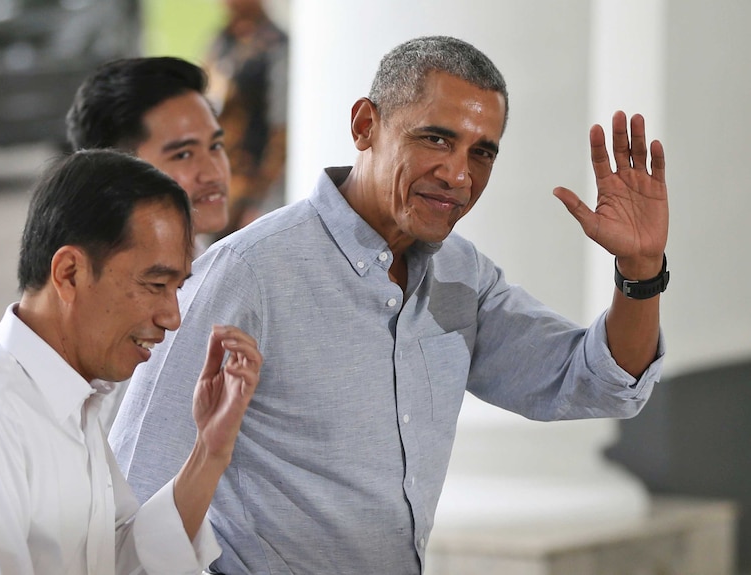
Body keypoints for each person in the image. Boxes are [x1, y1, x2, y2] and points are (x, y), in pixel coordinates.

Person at [110, 35, 669, 574]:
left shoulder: (463, 276)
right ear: (365, 125)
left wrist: (640, 272)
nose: (458, 175)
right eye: (435, 139)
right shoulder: (247, 272)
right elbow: (137, 493)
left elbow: (597, 381)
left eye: (482, 153)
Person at [0, 150, 262, 575]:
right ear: (69, 273)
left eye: (177, 288)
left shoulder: (71, 399)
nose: (172, 317)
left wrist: (210, 451)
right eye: (156, 284)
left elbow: (120, 559)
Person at [66, 56, 231, 253]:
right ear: (114, 176)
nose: (214, 174)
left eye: (216, 146)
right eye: (183, 155)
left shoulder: (205, 263)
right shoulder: (103, 280)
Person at [204, 0, 288, 237]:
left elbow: (281, 131)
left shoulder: (275, 46)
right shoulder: (221, 41)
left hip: (252, 190)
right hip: (219, 178)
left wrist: (262, 203)